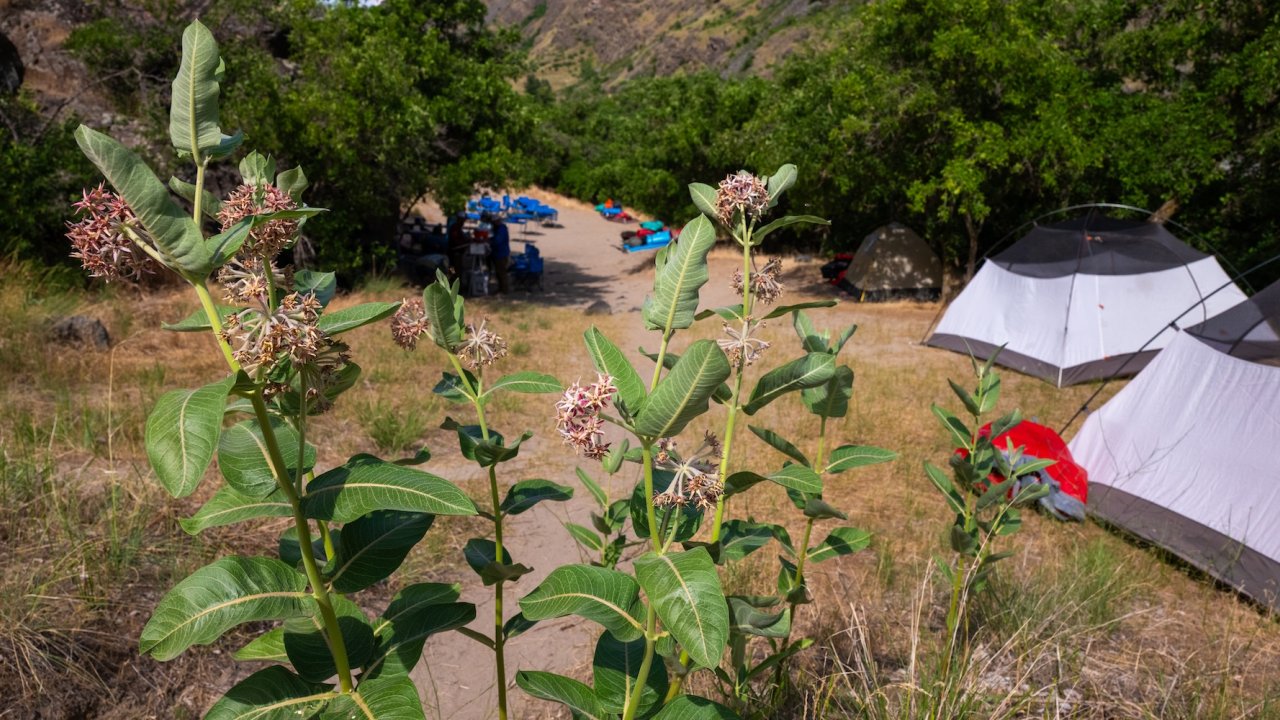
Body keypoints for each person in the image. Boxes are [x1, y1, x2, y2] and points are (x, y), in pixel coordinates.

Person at [489, 214, 511, 293]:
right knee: (498, 272)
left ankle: (505, 290)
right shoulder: (497, 229)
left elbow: (498, 241)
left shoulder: (502, 229)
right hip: (496, 253)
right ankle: (500, 288)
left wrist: (490, 241)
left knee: (502, 272)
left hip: (501, 254)